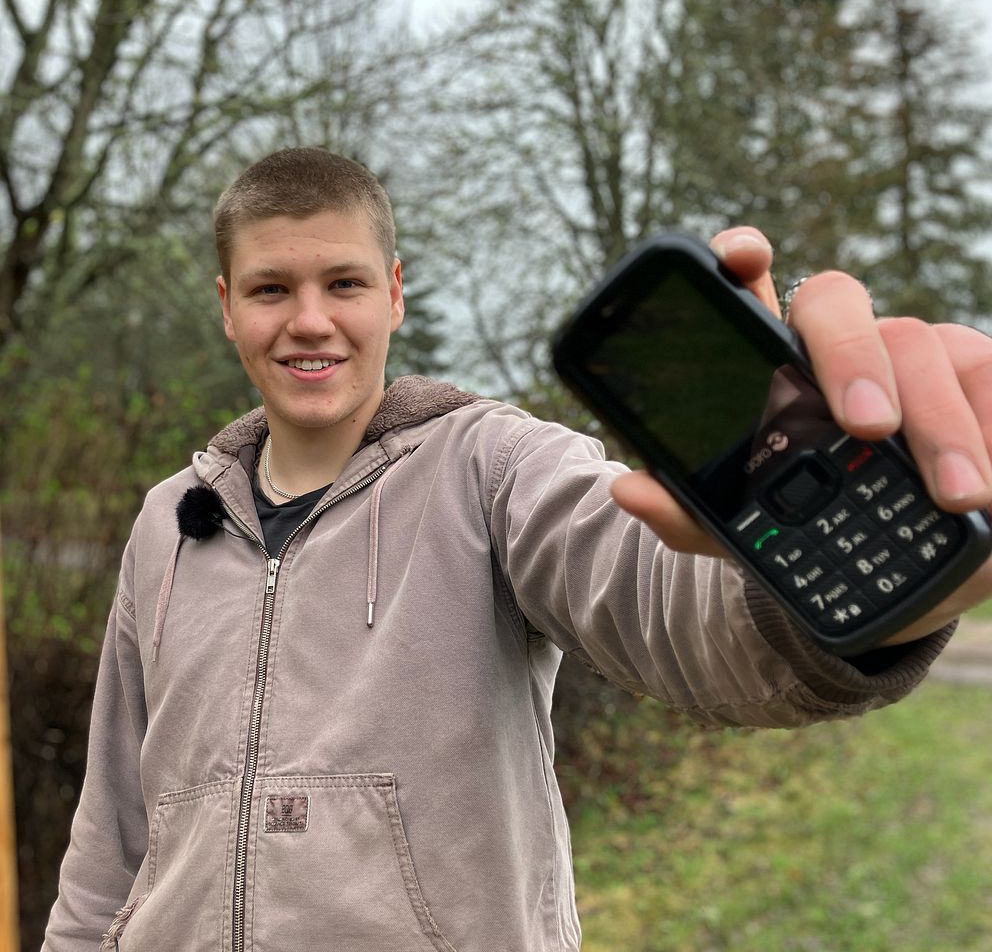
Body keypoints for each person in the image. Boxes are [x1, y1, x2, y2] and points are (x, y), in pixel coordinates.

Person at [42, 147, 992, 952]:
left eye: (344, 283)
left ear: (395, 293)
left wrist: (863, 580)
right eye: (270, 289)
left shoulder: (494, 468)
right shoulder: (168, 523)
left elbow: (671, 610)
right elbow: (111, 832)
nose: (310, 320)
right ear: (226, 306)